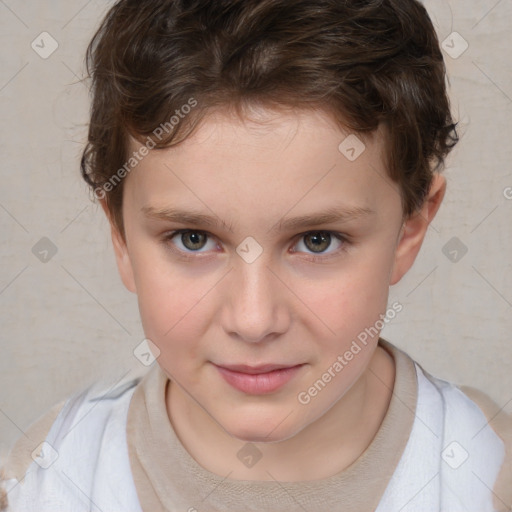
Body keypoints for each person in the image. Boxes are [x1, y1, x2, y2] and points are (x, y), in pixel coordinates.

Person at [1, 0, 511, 510]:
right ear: (120, 237)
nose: (253, 320)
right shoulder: (47, 481)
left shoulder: (488, 473)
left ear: (410, 229)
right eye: (193, 239)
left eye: (317, 241)